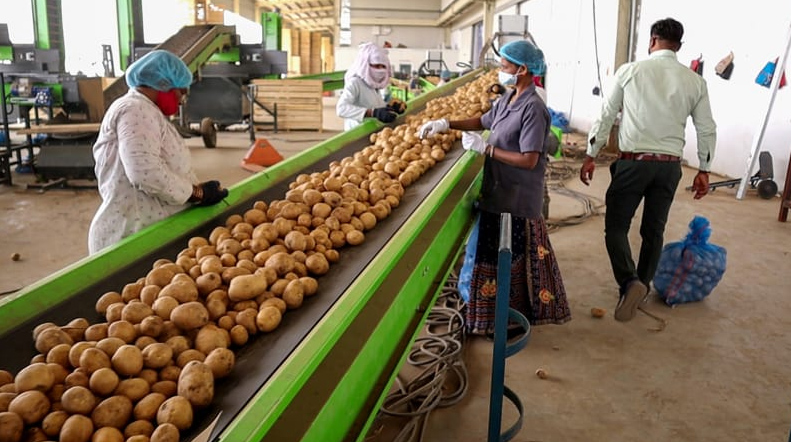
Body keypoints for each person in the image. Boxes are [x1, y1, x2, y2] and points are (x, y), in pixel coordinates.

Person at [419, 40, 571, 335]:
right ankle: (489, 321)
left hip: (516, 198)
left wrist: (486, 150)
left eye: (505, 66)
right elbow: (483, 119)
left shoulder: (534, 109)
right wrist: (446, 123)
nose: (501, 71)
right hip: (497, 192)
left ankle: (509, 323)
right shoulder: (509, 98)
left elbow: (529, 160)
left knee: (510, 263)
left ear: (523, 69)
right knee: (486, 259)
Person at [580, 17, 717, 322]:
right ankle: (642, 284)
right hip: (669, 167)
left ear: (652, 41)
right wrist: (704, 169)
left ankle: (629, 283)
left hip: (634, 163)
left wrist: (591, 153)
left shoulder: (630, 71)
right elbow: (707, 128)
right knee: (653, 230)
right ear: (679, 46)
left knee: (616, 227)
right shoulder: (695, 81)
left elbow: (606, 115)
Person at [88, 50, 228, 254]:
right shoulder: (135, 110)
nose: (181, 100)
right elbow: (145, 172)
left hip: (148, 233)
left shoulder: (148, 111)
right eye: (181, 92)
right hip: (131, 239)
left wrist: (193, 187)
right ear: (162, 84)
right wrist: (196, 193)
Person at [336, 42, 405, 131]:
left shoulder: (374, 85)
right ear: (365, 64)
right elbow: (341, 109)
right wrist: (372, 113)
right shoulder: (355, 83)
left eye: (382, 66)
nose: (380, 70)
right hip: (356, 132)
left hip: (370, 131)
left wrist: (389, 108)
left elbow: (374, 105)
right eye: (376, 66)